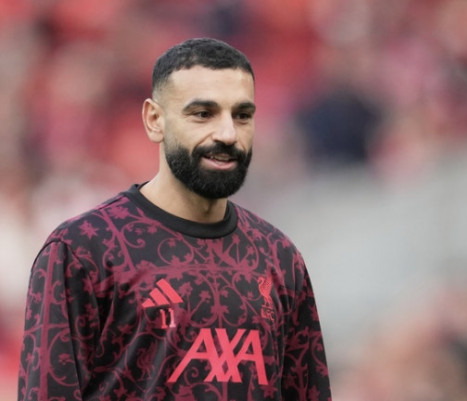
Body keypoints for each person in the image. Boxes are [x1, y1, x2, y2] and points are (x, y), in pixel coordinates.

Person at [18, 38, 332, 401]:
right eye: (203, 114)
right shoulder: (84, 250)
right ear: (155, 120)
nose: (228, 134)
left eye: (242, 115)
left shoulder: (279, 257)